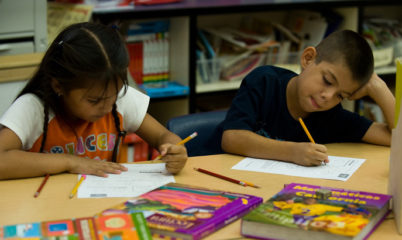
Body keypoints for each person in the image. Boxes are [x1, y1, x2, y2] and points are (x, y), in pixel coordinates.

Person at [0, 22, 187, 180]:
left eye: (113, 96)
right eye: (94, 100)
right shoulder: (34, 108)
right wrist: (70, 162)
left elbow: (163, 136)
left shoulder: (119, 101)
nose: (106, 106)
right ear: (59, 86)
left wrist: (175, 149)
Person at [220, 29, 395, 166]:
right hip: (218, 173)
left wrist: (379, 88)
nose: (328, 97)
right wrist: (292, 152)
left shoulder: (330, 114)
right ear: (308, 58)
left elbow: (395, 137)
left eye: (340, 96)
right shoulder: (264, 81)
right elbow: (232, 138)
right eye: (327, 81)